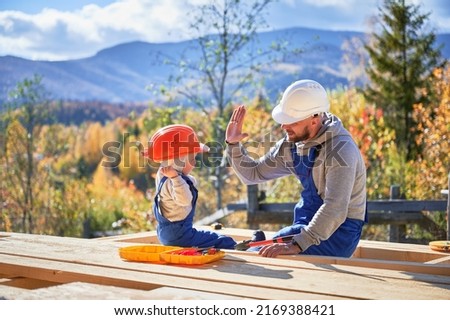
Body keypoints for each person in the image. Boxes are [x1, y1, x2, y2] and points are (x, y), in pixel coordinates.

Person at [226, 79, 367, 258]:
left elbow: (336, 208)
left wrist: (297, 243)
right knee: (263, 251)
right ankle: (255, 247)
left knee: (262, 255)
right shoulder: (291, 145)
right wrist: (233, 144)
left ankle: (254, 249)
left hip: (338, 234)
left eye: (291, 121)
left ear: (314, 119)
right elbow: (253, 174)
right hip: (305, 229)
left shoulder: (340, 149)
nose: (283, 126)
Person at [143, 124, 237, 249]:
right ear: (178, 160)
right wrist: (176, 178)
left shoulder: (163, 175)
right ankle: (242, 249)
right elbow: (185, 200)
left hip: (165, 233)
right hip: (180, 236)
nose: (194, 162)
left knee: (206, 239)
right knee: (221, 241)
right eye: (192, 158)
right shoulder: (173, 181)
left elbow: (169, 162)